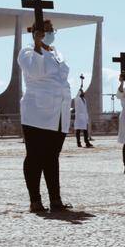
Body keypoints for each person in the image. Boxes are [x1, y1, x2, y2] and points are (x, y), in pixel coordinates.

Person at [18, 19, 73, 213]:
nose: (50, 34)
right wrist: (37, 45)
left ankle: (55, 199)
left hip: (58, 113)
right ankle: (35, 200)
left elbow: (63, 77)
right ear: (36, 33)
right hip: (37, 112)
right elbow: (35, 70)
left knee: (52, 157)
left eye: (51, 30)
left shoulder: (56, 53)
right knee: (35, 157)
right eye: (46, 31)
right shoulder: (26, 52)